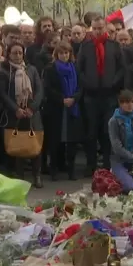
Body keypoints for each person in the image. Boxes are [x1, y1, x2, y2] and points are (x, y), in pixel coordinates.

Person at [77, 16, 125, 175]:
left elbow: (121, 69)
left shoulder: (114, 46)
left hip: (109, 95)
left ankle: (106, 164)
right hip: (91, 95)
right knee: (91, 131)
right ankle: (90, 165)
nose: (97, 31)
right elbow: (79, 69)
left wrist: (112, 82)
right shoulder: (86, 47)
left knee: (107, 131)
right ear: (91, 29)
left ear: (105, 28)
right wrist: (87, 83)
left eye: (100, 28)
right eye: (95, 28)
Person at [0, 42, 45, 188]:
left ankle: (37, 175)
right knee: (18, 145)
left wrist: (32, 108)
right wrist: (15, 109)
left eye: (20, 52)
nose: (17, 56)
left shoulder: (31, 69)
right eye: (14, 53)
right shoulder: (4, 72)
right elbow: (2, 94)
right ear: (8, 54)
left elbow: (39, 90)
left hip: (32, 113)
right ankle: (20, 176)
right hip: (15, 114)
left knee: (35, 144)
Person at [43, 41, 84, 181]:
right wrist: (62, 99)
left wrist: (74, 98)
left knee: (71, 142)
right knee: (55, 141)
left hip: (73, 108)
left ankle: (71, 171)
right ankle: (54, 169)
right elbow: (48, 89)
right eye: (61, 53)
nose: (64, 55)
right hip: (56, 109)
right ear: (56, 54)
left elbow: (80, 87)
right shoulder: (50, 69)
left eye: (66, 53)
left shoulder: (75, 68)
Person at [109, 90, 133, 193]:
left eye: (131, 102)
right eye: (126, 102)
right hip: (120, 161)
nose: (129, 105)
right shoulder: (114, 121)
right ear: (121, 104)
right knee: (129, 188)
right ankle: (115, 173)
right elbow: (117, 148)